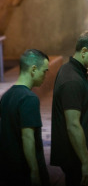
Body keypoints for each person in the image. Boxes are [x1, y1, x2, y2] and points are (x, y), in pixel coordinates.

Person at [50, 30, 88, 186]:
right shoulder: (72, 81)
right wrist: (86, 163)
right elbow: (73, 125)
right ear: (83, 51)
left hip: (78, 156)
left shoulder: (71, 70)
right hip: (77, 159)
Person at [0, 49, 50, 186]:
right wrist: (34, 171)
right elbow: (27, 137)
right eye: (44, 71)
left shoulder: (6, 96)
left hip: (8, 172)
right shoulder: (29, 99)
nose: (45, 76)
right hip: (24, 173)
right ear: (33, 69)